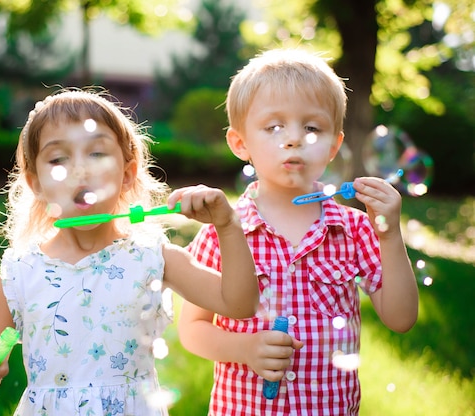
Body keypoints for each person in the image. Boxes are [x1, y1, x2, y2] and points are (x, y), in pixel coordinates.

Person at [0, 88, 259, 416]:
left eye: (96, 154)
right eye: (58, 159)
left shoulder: (152, 257)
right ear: (36, 182)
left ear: (126, 175)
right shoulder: (21, 274)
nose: (80, 171)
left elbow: (240, 304)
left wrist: (227, 225)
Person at [178, 49, 419, 415]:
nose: (294, 139)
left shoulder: (354, 229)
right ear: (240, 143)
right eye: (274, 127)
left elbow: (401, 319)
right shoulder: (223, 229)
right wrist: (244, 349)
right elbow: (192, 328)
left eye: (312, 128)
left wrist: (388, 234)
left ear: (334, 146)